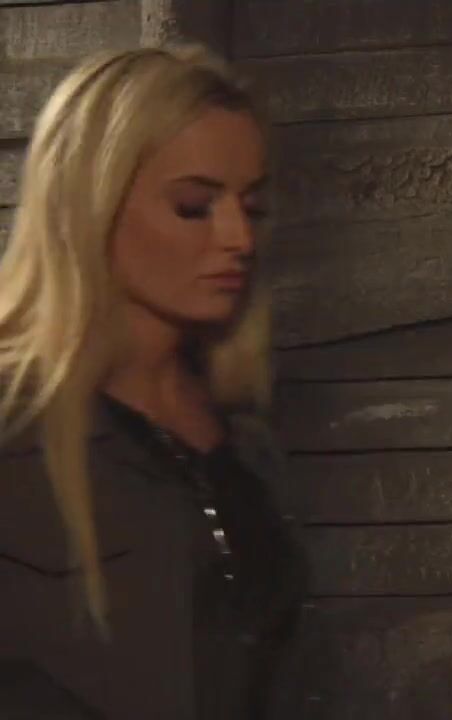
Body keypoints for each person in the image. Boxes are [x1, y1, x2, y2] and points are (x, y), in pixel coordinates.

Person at [0, 44, 308, 719]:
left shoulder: (241, 437)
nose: (238, 238)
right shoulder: (14, 426)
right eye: (195, 206)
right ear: (93, 205)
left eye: (251, 207)